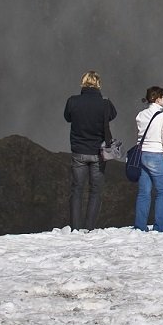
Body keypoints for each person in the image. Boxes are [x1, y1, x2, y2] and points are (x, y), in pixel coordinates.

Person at [63, 71, 117, 232]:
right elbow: (113, 115)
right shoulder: (105, 103)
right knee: (95, 191)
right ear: (98, 84)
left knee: (77, 190)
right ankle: (89, 228)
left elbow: (67, 117)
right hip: (98, 153)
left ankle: (75, 228)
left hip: (79, 151)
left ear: (83, 83)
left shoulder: (73, 101)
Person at [134, 86, 163, 232]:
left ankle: (140, 226)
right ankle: (160, 227)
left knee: (144, 193)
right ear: (157, 99)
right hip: (156, 155)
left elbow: (139, 137)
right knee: (162, 192)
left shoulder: (140, 115)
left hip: (142, 155)